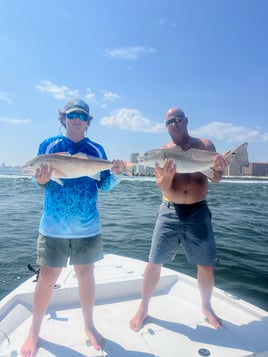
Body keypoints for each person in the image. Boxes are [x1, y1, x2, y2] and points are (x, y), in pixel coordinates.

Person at [21, 99, 125, 357]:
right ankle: (34, 331)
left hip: (87, 227)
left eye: (82, 115)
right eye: (72, 114)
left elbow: (104, 185)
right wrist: (41, 180)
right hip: (53, 226)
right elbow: (42, 183)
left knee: (86, 275)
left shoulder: (97, 149)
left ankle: (89, 326)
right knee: (46, 277)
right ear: (64, 118)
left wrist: (119, 173)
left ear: (87, 121)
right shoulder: (48, 146)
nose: (77, 118)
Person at [129, 107, 229, 332]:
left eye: (177, 119)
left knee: (206, 265)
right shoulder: (163, 152)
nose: (173, 124)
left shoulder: (205, 145)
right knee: (154, 262)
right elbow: (162, 186)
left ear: (186, 120)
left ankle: (206, 306)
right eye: (168, 122)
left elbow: (215, 178)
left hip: (198, 211)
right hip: (169, 209)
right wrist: (168, 178)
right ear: (166, 127)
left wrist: (220, 169)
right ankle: (143, 307)